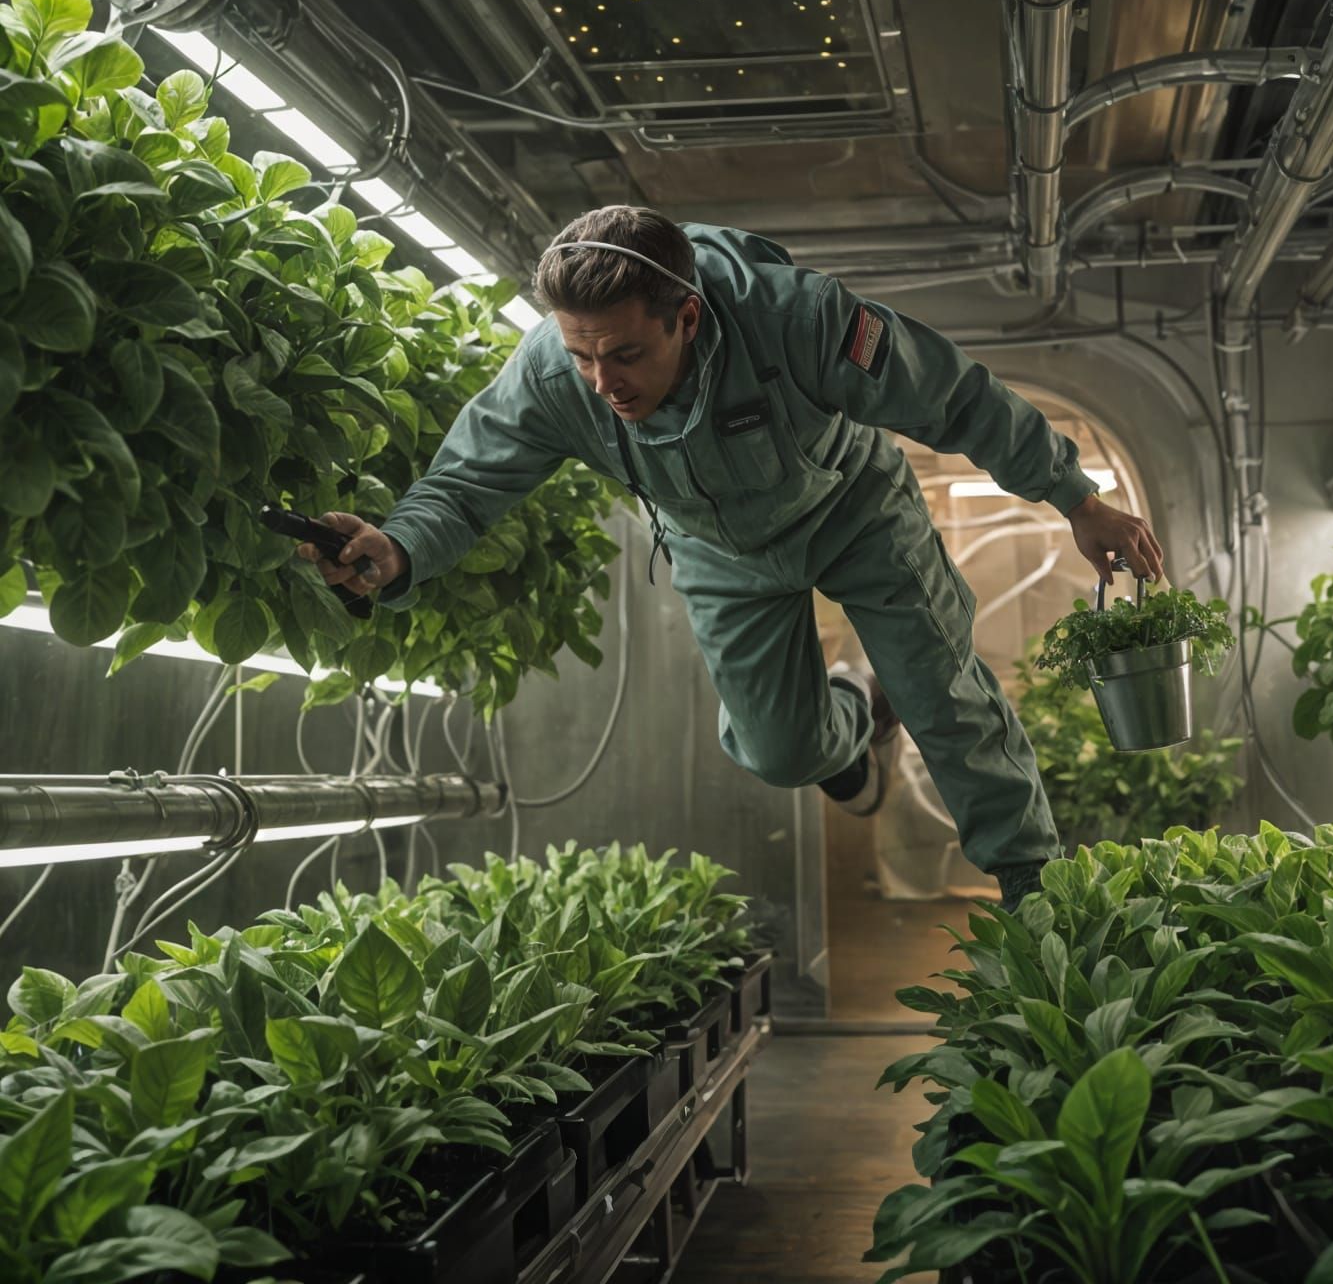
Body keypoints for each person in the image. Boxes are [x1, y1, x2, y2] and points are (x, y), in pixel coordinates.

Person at [300, 206, 1163, 909]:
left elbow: (956, 398)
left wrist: (1077, 499)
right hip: (720, 549)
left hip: (855, 509)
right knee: (782, 753)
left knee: (945, 698)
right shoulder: (554, 377)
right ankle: (859, 701)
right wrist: (398, 547)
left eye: (627, 354)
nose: (604, 381)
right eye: (582, 354)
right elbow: (464, 485)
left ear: (687, 316)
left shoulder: (799, 317)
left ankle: (1035, 892)